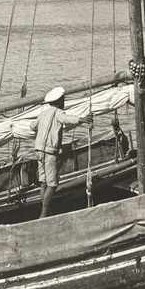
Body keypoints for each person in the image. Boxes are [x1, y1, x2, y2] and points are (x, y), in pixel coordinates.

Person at [32, 87, 92, 218]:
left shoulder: (43, 114)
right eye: (63, 100)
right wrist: (82, 119)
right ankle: (44, 214)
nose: (64, 102)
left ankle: (45, 210)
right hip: (49, 152)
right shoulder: (58, 112)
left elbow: (33, 126)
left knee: (44, 182)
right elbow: (67, 119)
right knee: (52, 184)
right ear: (58, 102)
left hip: (38, 151)